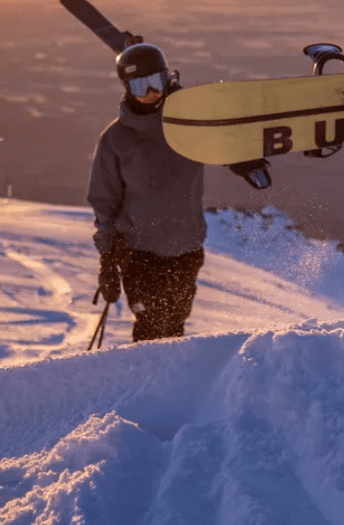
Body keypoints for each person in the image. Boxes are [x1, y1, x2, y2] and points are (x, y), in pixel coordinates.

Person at [87, 42, 271, 342]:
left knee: (175, 325)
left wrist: (243, 158)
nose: (150, 93)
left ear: (168, 79)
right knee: (150, 326)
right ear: (126, 88)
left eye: (156, 82)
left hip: (186, 247)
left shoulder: (190, 125)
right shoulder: (116, 140)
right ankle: (148, 383)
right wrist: (107, 261)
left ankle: (169, 386)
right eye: (139, 85)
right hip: (140, 251)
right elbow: (104, 203)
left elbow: (219, 139)